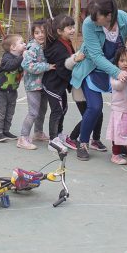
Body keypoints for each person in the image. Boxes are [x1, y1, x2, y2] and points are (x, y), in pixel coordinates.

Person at [67, 0, 127, 160]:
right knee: (95, 108)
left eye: (98, 19)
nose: (94, 21)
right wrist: (118, 72)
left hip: (115, 70)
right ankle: (82, 143)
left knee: (125, 109)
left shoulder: (125, 20)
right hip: (91, 69)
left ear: (109, 15)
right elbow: (96, 56)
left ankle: (121, 144)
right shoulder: (89, 24)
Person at [41, 14, 84, 152]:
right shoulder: (57, 48)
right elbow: (62, 68)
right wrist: (74, 79)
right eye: (69, 28)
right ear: (59, 31)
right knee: (57, 110)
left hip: (60, 85)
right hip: (52, 85)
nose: (72, 30)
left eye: (73, 27)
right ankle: (53, 140)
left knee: (63, 109)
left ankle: (59, 134)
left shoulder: (66, 42)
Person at [17, 20, 52, 150]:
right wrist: (46, 66)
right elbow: (26, 65)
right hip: (33, 85)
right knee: (33, 112)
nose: (40, 35)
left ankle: (38, 132)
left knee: (42, 110)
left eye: (43, 32)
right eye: (37, 32)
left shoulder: (43, 46)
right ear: (33, 34)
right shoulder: (33, 47)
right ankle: (23, 138)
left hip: (41, 84)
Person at [0, 33, 25, 142]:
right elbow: (11, 65)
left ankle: (6, 130)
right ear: (13, 47)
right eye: (22, 42)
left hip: (12, 89)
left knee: (10, 111)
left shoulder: (20, 57)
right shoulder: (7, 57)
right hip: (1, 89)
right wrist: (22, 57)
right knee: (0, 111)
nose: (25, 44)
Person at [107, 47, 127, 165]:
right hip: (119, 110)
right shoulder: (115, 75)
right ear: (117, 62)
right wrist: (125, 77)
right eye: (122, 60)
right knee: (117, 133)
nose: (125, 64)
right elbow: (118, 86)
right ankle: (115, 154)